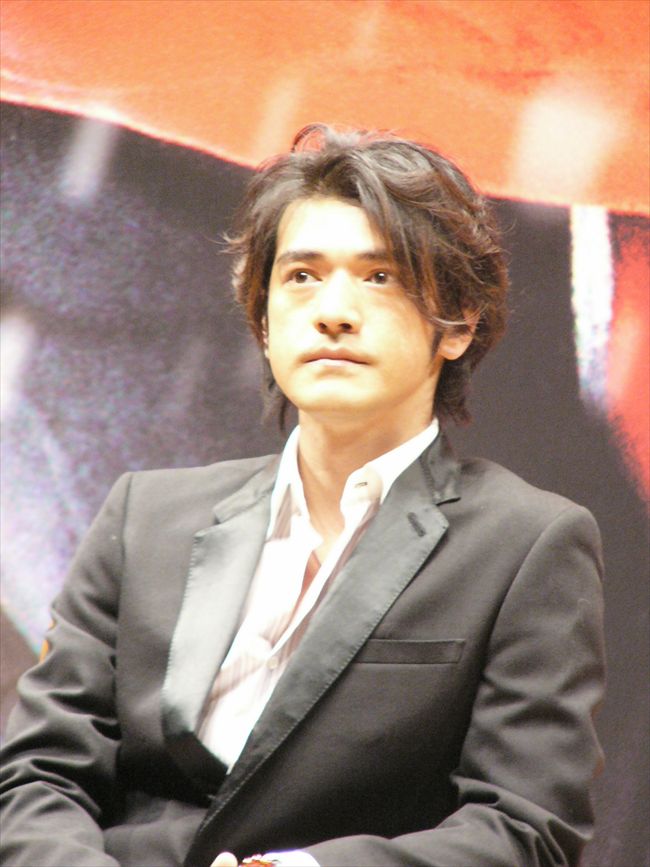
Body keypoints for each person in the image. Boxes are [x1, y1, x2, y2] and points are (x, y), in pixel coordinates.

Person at [0, 124, 605, 867]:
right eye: (301, 276)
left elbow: (525, 827)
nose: (333, 310)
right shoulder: (143, 516)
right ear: (262, 318)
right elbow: (39, 774)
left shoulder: (528, 544)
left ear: (457, 324)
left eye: (380, 276)